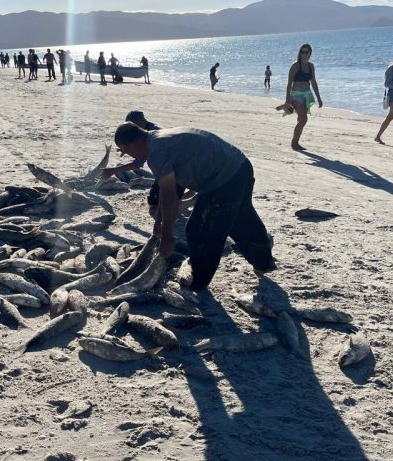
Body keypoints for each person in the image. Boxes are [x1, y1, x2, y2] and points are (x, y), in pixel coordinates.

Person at [113, 122, 275, 288]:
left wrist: (168, 236)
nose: (127, 155)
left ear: (130, 144)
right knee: (241, 216)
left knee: (201, 229)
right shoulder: (157, 138)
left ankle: (198, 281)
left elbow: (170, 195)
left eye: (125, 150)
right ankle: (264, 262)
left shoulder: (156, 153)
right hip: (240, 166)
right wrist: (159, 221)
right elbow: (167, 189)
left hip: (225, 178)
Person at [101, 111, 194, 215]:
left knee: (161, 203)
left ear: (142, 121)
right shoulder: (143, 136)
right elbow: (140, 161)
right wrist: (128, 148)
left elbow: (138, 163)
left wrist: (161, 225)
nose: (131, 133)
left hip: (180, 166)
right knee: (155, 201)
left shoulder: (154, 136)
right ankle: (186, 197)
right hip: (173, 165)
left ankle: (190, 201)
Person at [284, 43, 323, 151]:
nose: (304, 54)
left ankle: (296, 142)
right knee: (303, 119)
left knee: (301, 119)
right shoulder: (295, 66)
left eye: (306, 52)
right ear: (300, 53)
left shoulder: (311, 66)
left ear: (310, 53)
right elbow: (289, 84)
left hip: (307, 94)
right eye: (302, 52)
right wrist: (287, 100)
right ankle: (294, 143)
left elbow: (314, 82)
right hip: (296, 94)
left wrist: (319, 98)